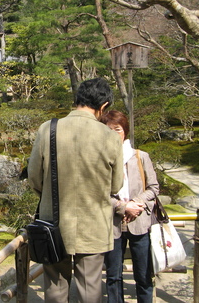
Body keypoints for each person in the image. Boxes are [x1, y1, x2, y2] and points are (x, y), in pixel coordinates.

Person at [28, 77, 124, 302]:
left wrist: (51, 196)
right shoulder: (110, 137)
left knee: (55, 287)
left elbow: (34, 178)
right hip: (94, 224)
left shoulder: (48, 129)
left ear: (78, 99)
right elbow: (116, 185)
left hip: (54, 223)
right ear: (103, 106)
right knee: (90, 288)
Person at [99, 110, 160, 303]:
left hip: (139, 223)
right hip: (113, 223)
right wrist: (122, 207)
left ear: (125, 130)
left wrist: (136, 203)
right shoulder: (101, 160)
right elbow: (98, 193)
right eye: (108, 129)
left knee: (143, 275)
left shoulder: (140, 157)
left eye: (117, 129)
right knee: (113, 276)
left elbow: (153, 188)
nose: (114, 133)